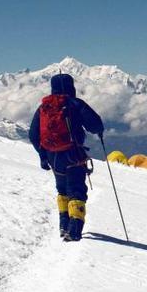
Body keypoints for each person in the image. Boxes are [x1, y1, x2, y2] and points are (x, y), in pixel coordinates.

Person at [29, 73, 104, 242]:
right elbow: (95, 124)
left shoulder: (43, 108)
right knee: (76, 190)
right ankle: (74, 230)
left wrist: (43, 155)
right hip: (73, 155)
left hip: (52, 157)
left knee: (62, 190)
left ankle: (63, 226)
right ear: (72, 87)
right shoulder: (75, 104)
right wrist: (99, 132)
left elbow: (33, 135)